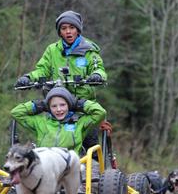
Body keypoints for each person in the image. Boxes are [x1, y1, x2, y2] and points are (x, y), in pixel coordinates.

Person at [14, 10, 111, 150]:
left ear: (78, 29)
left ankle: (94, 168)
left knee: (91, 146)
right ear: (59, 32)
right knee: (50, 137)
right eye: (64, 28)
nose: (68, 32)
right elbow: (42, 70)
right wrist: (28, 77)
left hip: (82, 106)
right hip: (58, 103)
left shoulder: (89, 50)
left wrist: (97, 76)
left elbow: (99, 68)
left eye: (72, 28)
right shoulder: (52, 50)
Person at [10, 87, 106, 154]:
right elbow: (16, 112)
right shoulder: (40, 122)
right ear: (48, 108)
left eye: (63, 105)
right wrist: (38, 105)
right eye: (54, 106)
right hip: (45, 164)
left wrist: (79, 103)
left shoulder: (80, 122)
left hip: (69, 165)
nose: (59, 109)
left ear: (69, 105)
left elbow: (100, 112)